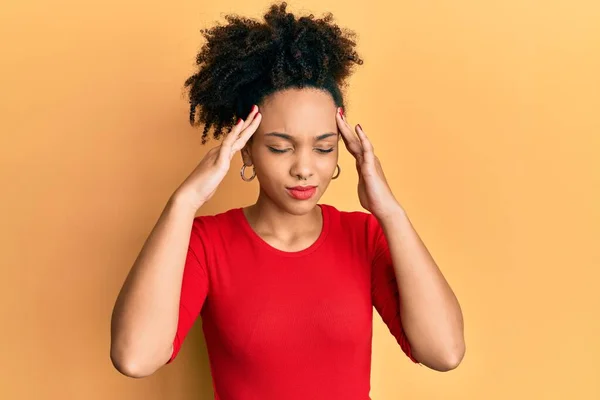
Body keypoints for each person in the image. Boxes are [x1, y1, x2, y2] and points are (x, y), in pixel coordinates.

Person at [110, 2, 465, 398]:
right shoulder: (206, 243)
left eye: (324, 147)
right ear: (245, 148)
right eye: (280, 148)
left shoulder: (365, 236)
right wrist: (185, 200)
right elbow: (135, 357)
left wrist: (390, 211)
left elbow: (444, 352)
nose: (304, 169)